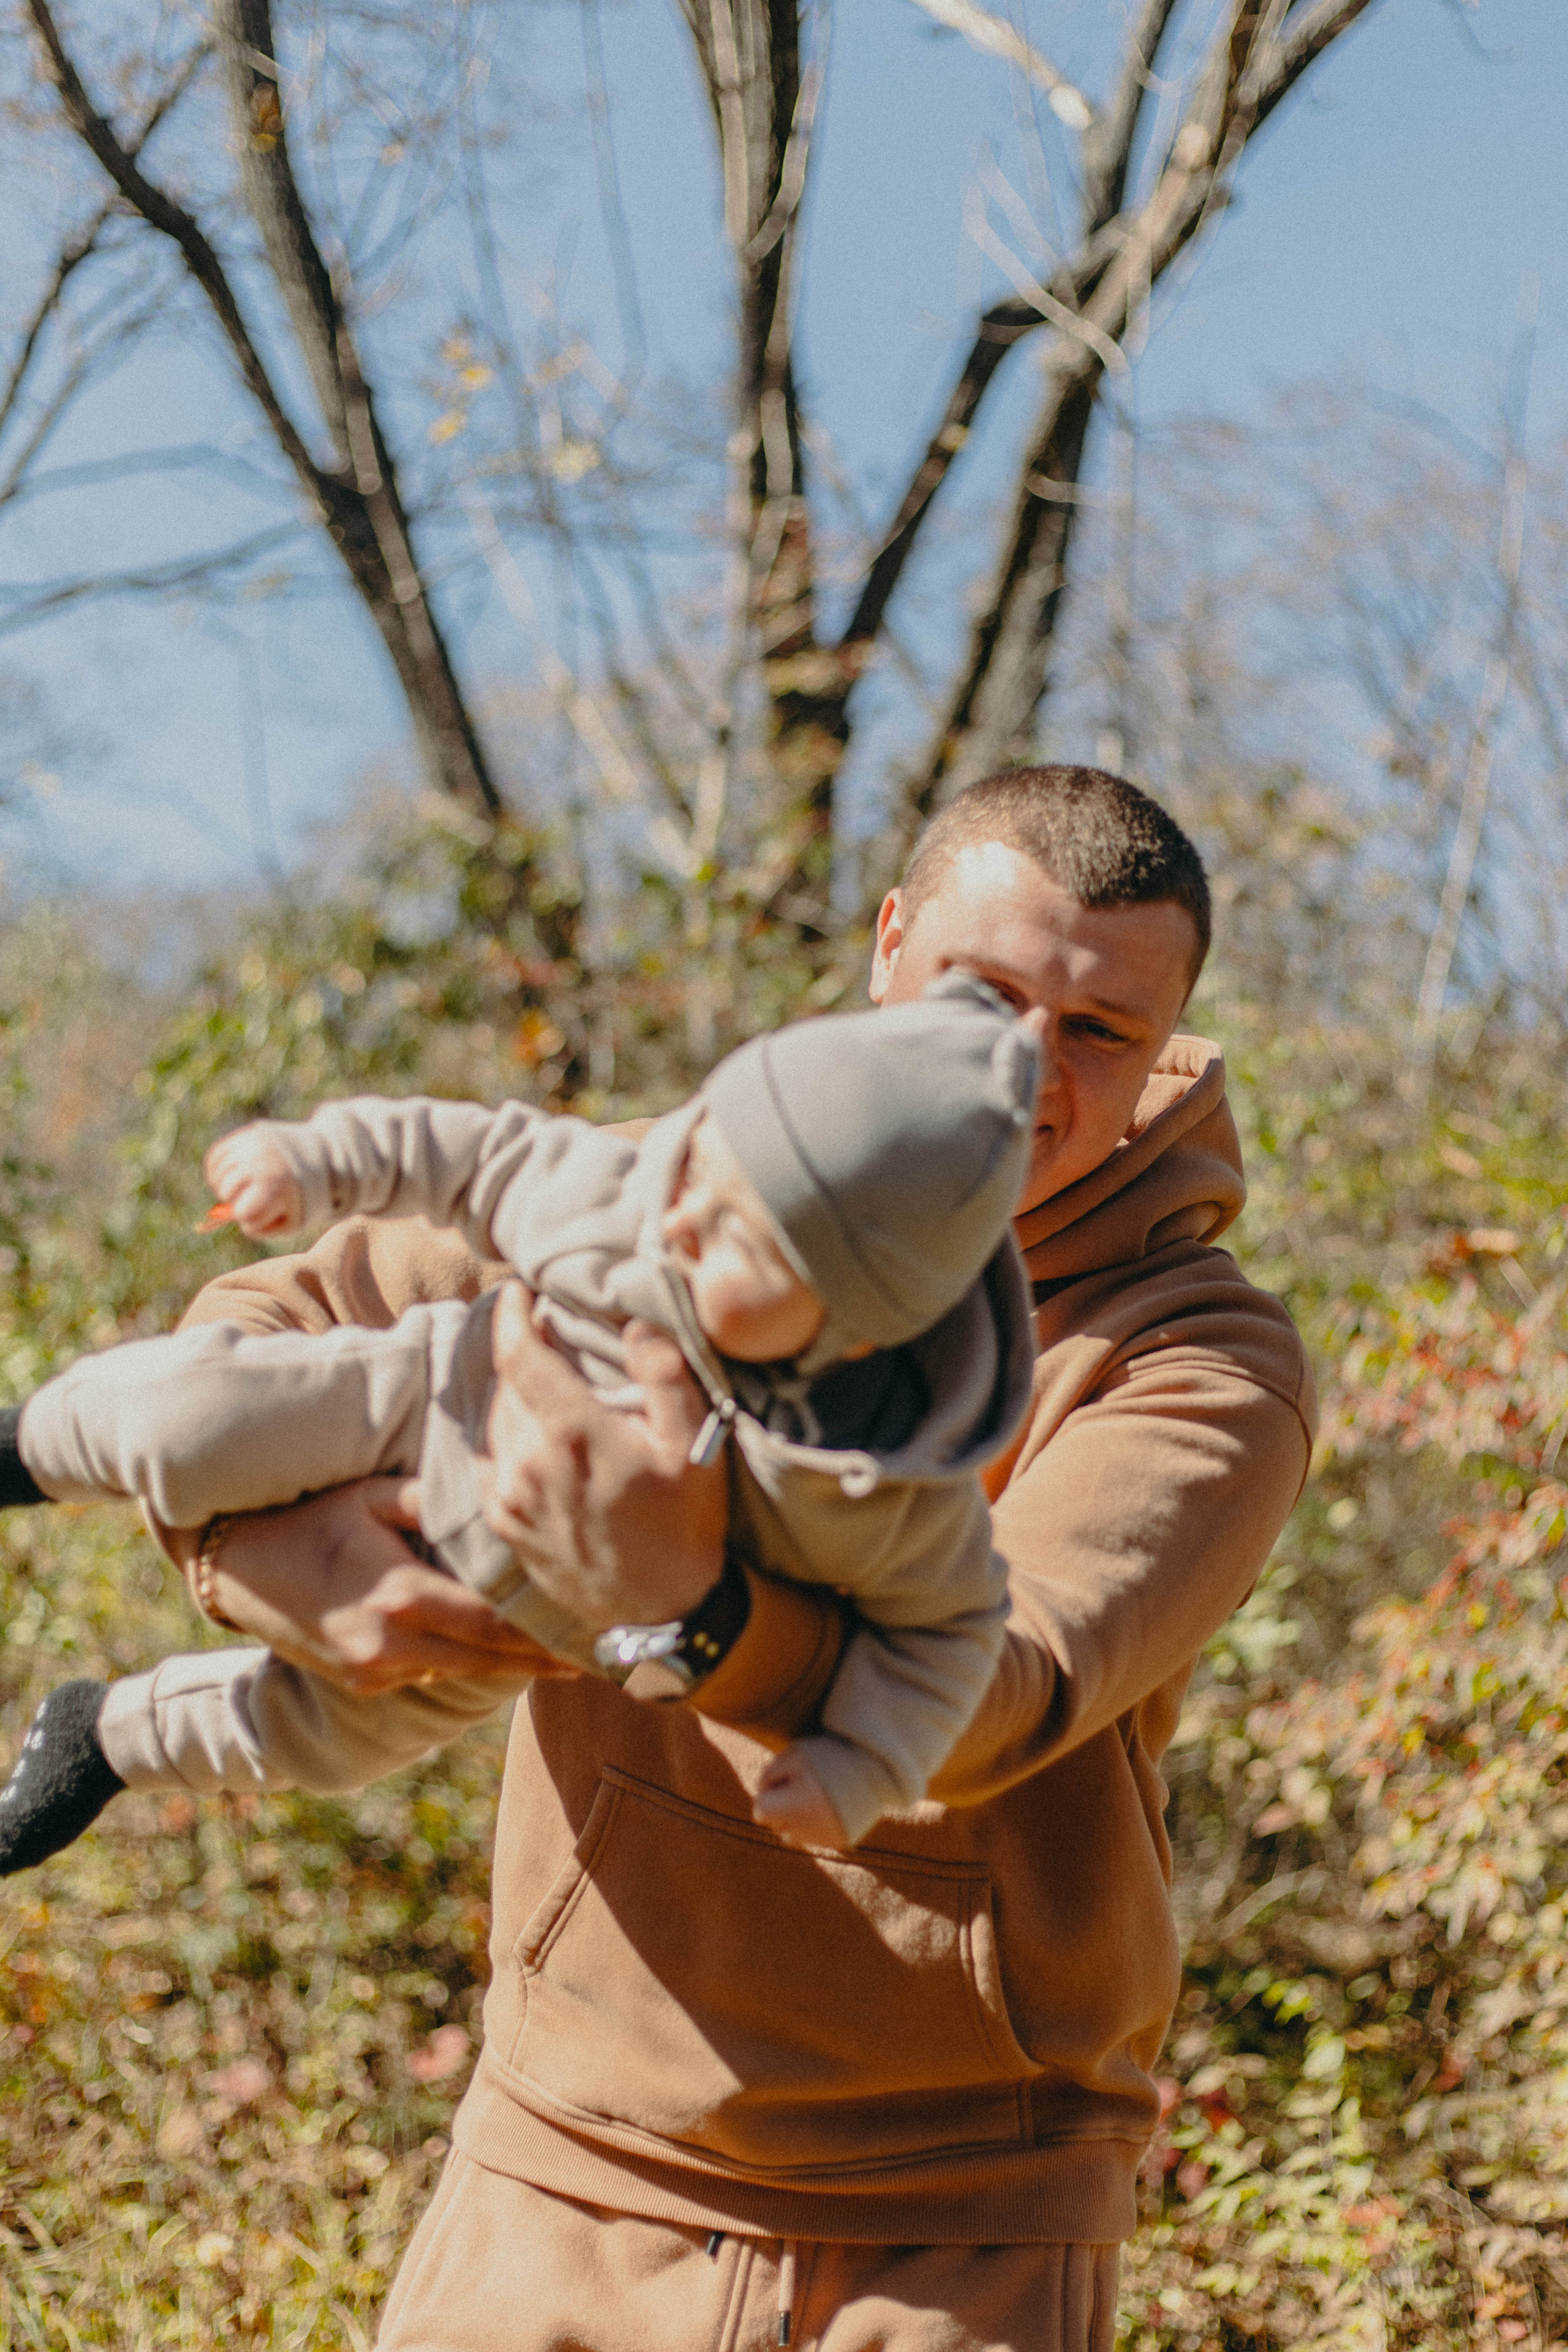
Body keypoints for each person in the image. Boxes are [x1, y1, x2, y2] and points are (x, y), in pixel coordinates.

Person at [0, 766, 1318, 2351]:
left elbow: (1003, 1690)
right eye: (981, 992)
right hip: (560, 2157)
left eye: (1098, 1030)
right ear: (888, 946)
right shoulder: (684, 1184)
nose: (1017, 1070)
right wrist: (285, 1564)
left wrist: (693, 1608)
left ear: (1170, 1032)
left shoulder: (1198, 1360)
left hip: (954, 2219)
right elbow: (272, 1326)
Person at [0, 978, 1041, 1862]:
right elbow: (470, 1152)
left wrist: (859, 1766)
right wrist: (312, 1160)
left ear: (858, 1329)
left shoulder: (881, 1477)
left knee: (328, 1741)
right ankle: (28, 1448)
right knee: (196, 1419)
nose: (677, 1215)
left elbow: (950, 1636)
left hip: (515, 1629)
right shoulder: (628, 1200)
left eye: (737, 1235)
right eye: (698, 1160)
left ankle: (110, 1739)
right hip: (421, 1405)